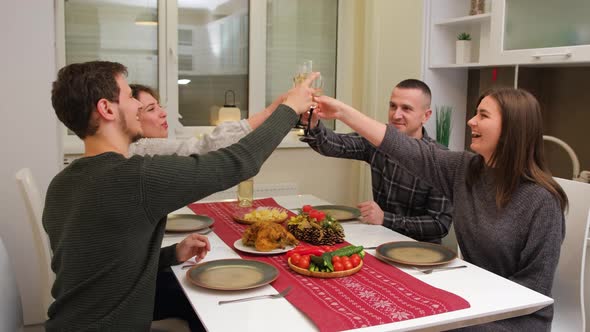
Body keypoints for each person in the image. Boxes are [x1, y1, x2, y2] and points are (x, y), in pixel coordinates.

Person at [43, 60, 316, 331]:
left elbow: (101, 266)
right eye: (128, 96)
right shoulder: (136, 178)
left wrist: (171, 254)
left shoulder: (61, 183)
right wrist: (290, 109)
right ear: (106, 109)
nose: (138, 105)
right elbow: (240, 161)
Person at [314, 88, 567, 331]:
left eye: (483, 115)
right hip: (472, 297)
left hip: (513, 317)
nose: (471, 121)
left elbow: (534, 288)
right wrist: (342, 112)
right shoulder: (465, 169)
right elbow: (404, 149)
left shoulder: (542, 201)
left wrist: (464, 306)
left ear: (512, 128)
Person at [302, 79, 451, 243]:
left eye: (406, 108)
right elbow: (333, 145)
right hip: (380, 241)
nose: (396, 115)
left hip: (422, 255)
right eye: (393, 106)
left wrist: (385, 219)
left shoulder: (440, 159)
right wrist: (314, 123)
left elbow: (439, 225)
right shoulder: (378, 141)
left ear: (426, 115)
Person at [129, 84, 286, 155]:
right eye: (151, 109)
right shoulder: (139, 149)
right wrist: (269, 111)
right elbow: (203, 147)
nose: (163, 113)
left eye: (159, 106)